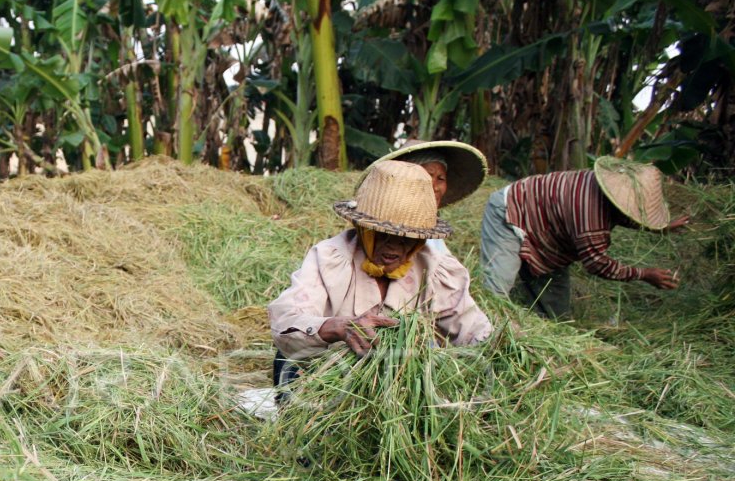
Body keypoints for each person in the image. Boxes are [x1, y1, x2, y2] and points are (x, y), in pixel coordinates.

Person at [268, 161, 492, 391]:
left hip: (396, 387)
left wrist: (499, 348)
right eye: (383, 235)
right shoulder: (330, 258)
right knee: (288, 360)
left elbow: (472, 328)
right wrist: (340, 328)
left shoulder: (435, 268)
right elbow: (286, 318)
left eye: (407, 238)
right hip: (327, 378)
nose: (394, 248)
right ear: (364, 229)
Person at [478, 157, 689, 319]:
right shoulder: (591, 220)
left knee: (555, 315)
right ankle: (481, 345)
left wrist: (659, 228)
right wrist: (644, 274)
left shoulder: (606, 187)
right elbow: (597, 264)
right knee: (495, 296)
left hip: (549, 233)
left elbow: (625, 213)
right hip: (511, 212)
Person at [363, 139, 489, 253]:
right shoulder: (375, 221)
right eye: (426, 176)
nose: (434, 187)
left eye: (441, 179)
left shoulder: (431, 231)